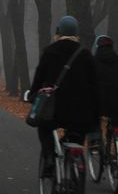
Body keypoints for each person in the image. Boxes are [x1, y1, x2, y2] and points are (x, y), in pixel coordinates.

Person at [27, 15, 99, 177]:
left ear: (58, 32)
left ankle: (49, 158)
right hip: (81, 109)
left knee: (44, 128)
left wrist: (32, 95)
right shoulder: (85, 54)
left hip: (54, 109)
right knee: (76, 134)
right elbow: (94, 84)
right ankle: (76, 169)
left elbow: (39, 77)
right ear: (76, 33)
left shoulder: (50, 51)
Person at [93, 34, 118, 151]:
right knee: (117, 124)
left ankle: (97, 141)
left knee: (95, 119)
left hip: (100, 103)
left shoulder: (93, 62)